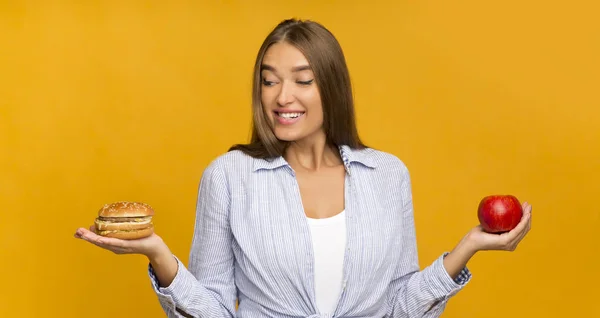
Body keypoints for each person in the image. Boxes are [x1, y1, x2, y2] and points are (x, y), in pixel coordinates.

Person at [74, 18, 532, 318]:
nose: (281, 96)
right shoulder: (229, 176)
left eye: (302, 80)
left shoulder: (388, 176)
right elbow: (213, 309)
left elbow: (400, 306)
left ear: (331, 86)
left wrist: (468, 247)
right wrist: (158, 254)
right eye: (269, 81)